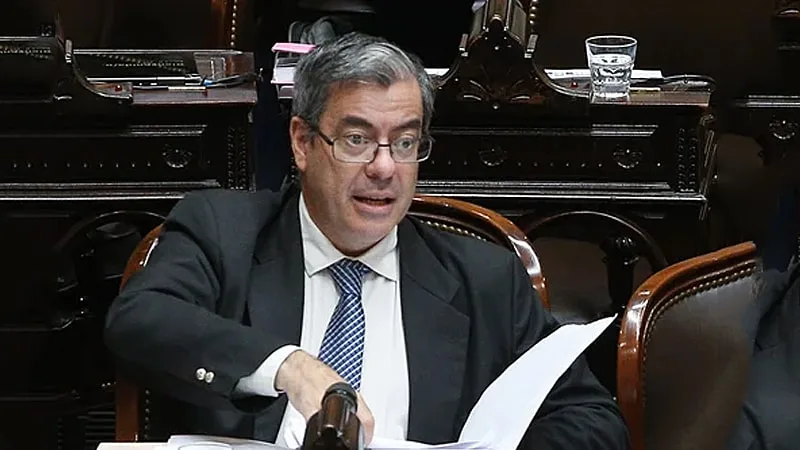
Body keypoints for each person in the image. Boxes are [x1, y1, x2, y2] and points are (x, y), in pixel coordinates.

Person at [104, 32, 629, 449]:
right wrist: (287, 366)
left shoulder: (484, 277)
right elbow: (139, 320)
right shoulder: (224, 233)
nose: (384, 168)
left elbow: (591, 420)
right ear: (302, 143)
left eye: (404, 142)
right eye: (357, 140)